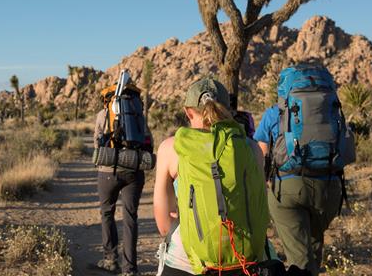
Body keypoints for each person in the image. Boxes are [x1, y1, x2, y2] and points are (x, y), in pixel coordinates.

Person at [153, 77, 272, 276]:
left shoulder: (171, 148)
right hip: (246, 259)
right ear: (229, 110)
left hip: (188, 262)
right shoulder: (251, 148)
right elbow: (260, 204)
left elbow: (164, 226)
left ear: (187, 112)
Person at [255, 68, 344, 276]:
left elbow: (261, 157)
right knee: (314, 245)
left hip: (288, 188)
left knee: (299, 260)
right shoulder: (330, 112)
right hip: (329, 186)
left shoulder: (273, 114)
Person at [94, 88, 149, 276]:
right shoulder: (137, 114)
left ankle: (110, 260)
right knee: (130, 217)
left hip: (108, 172)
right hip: (134, 171)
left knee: (107, 213)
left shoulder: (103, 114)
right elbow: (149, 142)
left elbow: (97, 144)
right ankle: (130, 269)